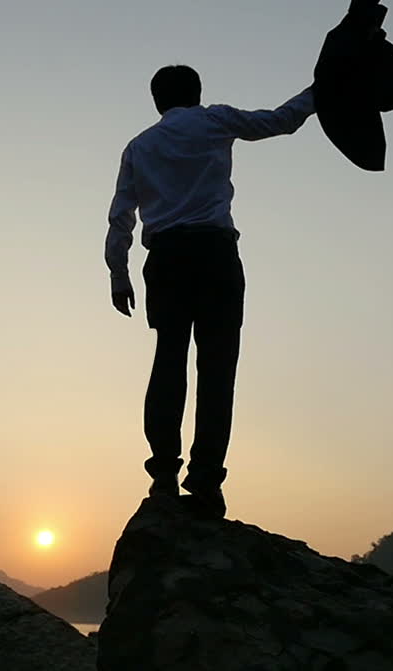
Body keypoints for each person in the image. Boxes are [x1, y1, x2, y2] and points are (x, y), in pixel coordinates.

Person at [104, 65, 315, 519]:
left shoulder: (139, 146)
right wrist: (320, 91)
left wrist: (117, 271)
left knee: (168, 362)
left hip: (165, 260)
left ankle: (163, 476)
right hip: (215, 255)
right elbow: (281, 120)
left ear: (157, 100)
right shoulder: (215, 120)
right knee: (217, 370)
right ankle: (205, 480)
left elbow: (122, 214)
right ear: (197, 95)